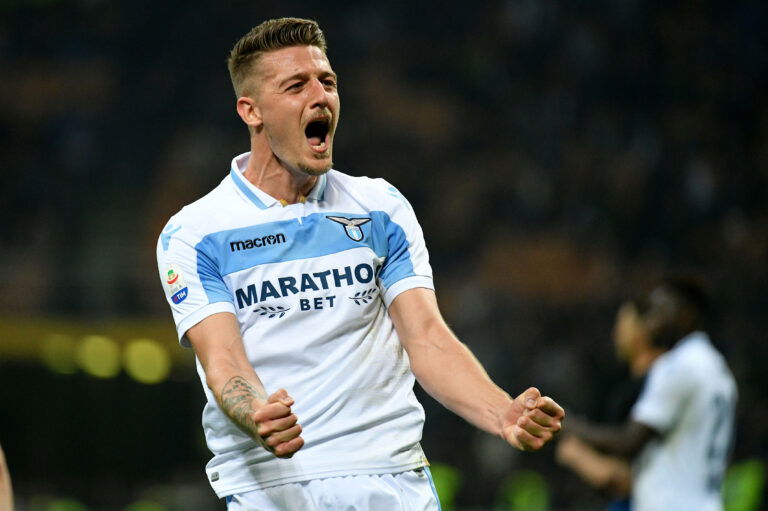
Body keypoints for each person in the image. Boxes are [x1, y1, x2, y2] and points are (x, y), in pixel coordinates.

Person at [156, 17, 564, 509]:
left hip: (391, 478)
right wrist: (257, 412)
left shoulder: (379, 207)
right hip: (273, 486)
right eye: (296, 86)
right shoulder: (196, 232)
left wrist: (501, 412)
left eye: (327, 81)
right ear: (252, 110)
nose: (320, 96)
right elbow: (223, 361)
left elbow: (427, 339)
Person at [565, 278, 737, 511]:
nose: (652, 322)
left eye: (661, 311)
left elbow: (629, 441)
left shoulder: (678, 365)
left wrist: (571, 426)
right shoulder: (717, 368)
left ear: (686, 315)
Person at [556, 298, 656, 511]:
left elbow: (624, 479)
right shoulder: (626, 387)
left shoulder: (653, 389)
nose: (616, 334)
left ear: (645, 329)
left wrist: (576, 453)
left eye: (623, 325)